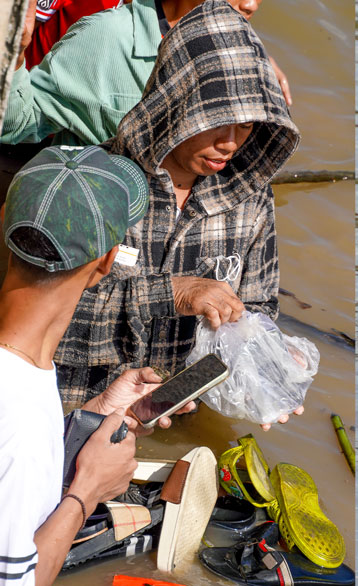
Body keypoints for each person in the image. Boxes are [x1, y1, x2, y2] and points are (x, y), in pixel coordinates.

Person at [53, 0, 300, 421]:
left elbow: (257, 307)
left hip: (170, 415)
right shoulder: (92, 186)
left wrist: (266, 366)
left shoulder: (251, 200)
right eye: (216, 122)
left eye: (245, 125)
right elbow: (43, 325)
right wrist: (173, 294)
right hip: (70, 412)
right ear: (177, 104)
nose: (230, 143)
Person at [0, 144, 193, 584]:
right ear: (108, 259)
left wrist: (91, 419)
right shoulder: (21, 426)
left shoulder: (22, 376)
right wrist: (87, 493)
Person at [2, 0, 291, 147]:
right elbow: (21, 121)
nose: (251, 5)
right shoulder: (106, 36)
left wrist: (251, 52)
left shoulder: (237, 47)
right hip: (40, 112)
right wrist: (13, 56)